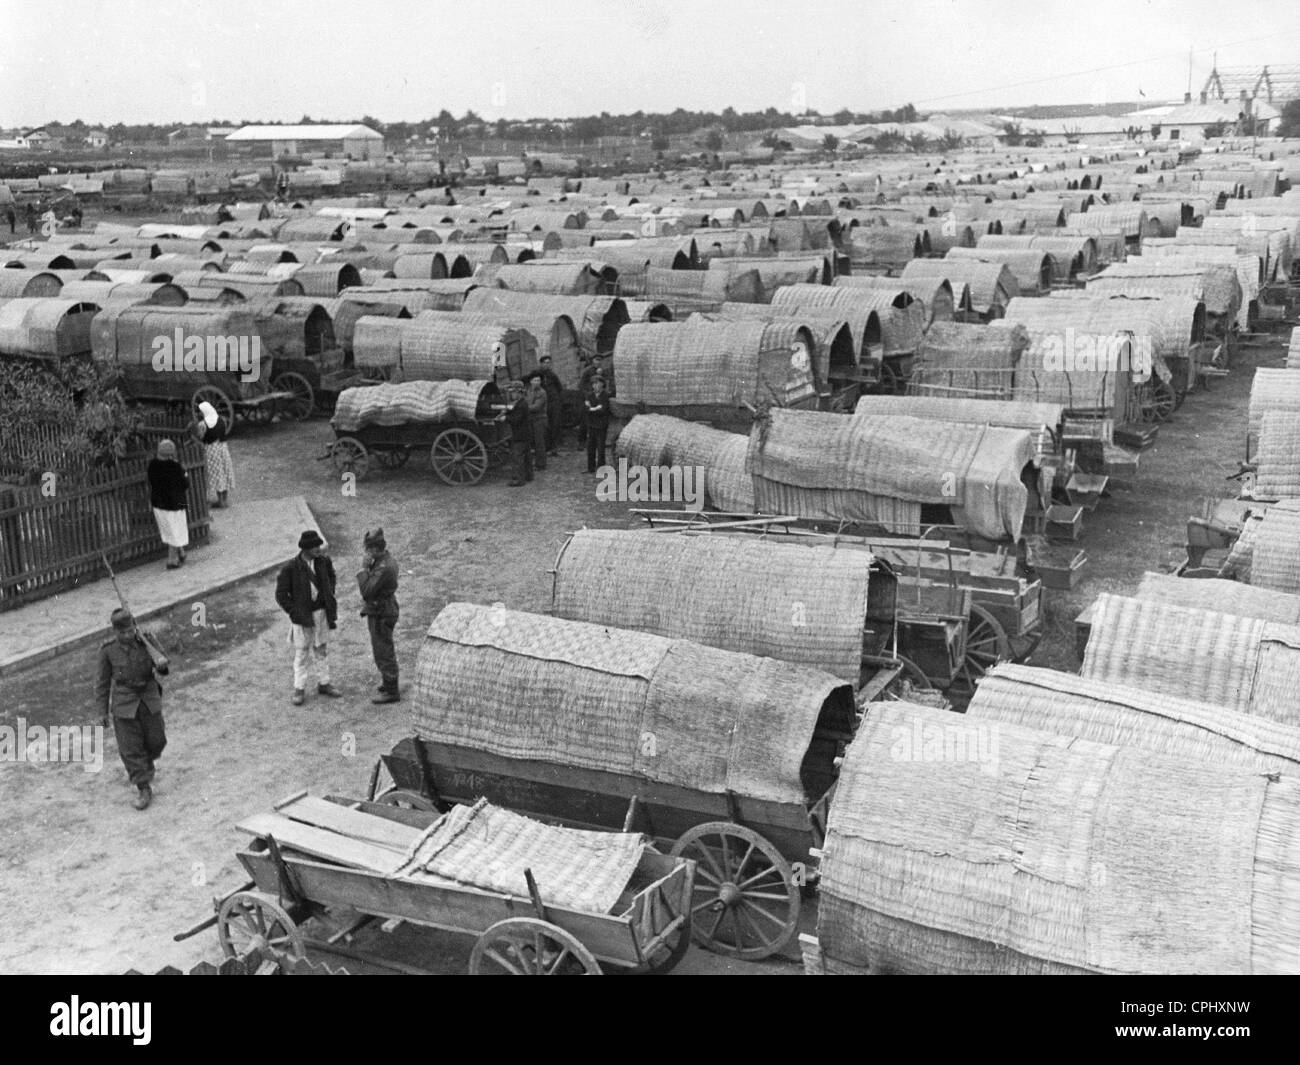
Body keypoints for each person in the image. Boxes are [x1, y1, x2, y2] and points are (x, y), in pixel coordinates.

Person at [95, 608, 168, 811]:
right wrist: (101, 712)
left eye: (129, 631)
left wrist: (160, 662)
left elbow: (164, 667)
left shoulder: (147, 641)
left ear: (134, 627)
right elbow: (102, 683)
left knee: (157, 741)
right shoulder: (108, 651)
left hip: (148, 697)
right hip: (124, 703)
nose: (127, 635)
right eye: (122, 633)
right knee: (130, 748)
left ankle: (144, 766)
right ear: (115, 631)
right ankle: (143, 787)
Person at [275, 530, 342, 706]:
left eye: (319, 545)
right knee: (302, 653)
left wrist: (328, 593)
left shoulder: (324, 562)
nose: (319, 549)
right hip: (302, 617)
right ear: (305, 549)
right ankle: (299, 688)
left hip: (321, 613)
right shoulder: (290, 568)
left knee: (321, 649)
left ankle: (324, 683)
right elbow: (281, 595)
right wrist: (294, 612)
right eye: (315, 546)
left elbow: (332, 577)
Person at [357, 529, 400, 704]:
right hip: (383, 608)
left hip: (381, 612)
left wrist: (363, 569)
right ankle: (387, 682)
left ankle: (392, 690)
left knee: (383, 651)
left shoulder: (383, 567)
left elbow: (367, 591)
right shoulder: (385, 560)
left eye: (368, 549)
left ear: (375, 549)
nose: (366, 552)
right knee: (382, 647)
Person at [147, 439, 189, 569]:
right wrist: (184, 472)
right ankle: (172, 560)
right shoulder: (175, 467)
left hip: (158, 504)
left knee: (168, 529)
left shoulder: (152, 465)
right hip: (175, 504)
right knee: (175, 531)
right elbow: (185, 484)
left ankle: (181, 552)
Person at [191, 401, 235, 508]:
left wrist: (194, 438)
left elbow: (200, 437)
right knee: (224, 471)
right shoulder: (222, 420)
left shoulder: (203, 424)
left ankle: (220, 501)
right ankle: (224, 499)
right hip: (223, 448)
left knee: (216, 473)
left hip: (211, 450)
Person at [503, 381, 533, 487]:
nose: (512, 394)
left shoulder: (521, 405)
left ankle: (519, 480)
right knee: (527, 456)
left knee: (517, 457)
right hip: (526, 434)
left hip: (520, 435)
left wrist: (505, 418)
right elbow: (515, 413)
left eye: (513, 392)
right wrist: (507, 412)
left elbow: (516, 419)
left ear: (518, 392)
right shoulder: (522, 403)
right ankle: (529, 476)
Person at [537, 355, 564, 454]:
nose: (547, 365)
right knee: (545, 425)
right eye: (545, 363)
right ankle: (546, 446)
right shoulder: (537, 374)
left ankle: (554, 446)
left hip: (554, 402)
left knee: (555, 423)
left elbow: (559, 388)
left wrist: (557, 400)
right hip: (544, 403)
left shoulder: (552, 375)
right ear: (541, 364)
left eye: (548, 363)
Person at [585, 376, 612, 474]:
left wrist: (592, 409)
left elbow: (603, 410)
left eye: (597, 383)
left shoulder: (605, 396)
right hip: (591, 424)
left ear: (602, 384)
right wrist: (596, 408)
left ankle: (601, 468)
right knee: (590, 447)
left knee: (601, 448)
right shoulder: (589, 395)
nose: (595, 385)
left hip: (601, 425)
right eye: (593, 383)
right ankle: (590, 468)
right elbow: (586, 409)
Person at [524, 370, 549, 471]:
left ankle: (541, 464)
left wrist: (522, 408)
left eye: (538, 380)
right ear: (531, 381)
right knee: (532, 442)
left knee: (540, 443)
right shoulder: (528, 391)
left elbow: (536, 407)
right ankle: (533, 462)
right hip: (531, 419)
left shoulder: (542, 392)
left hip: (540, 419)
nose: (537, 382)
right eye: (535, 380)